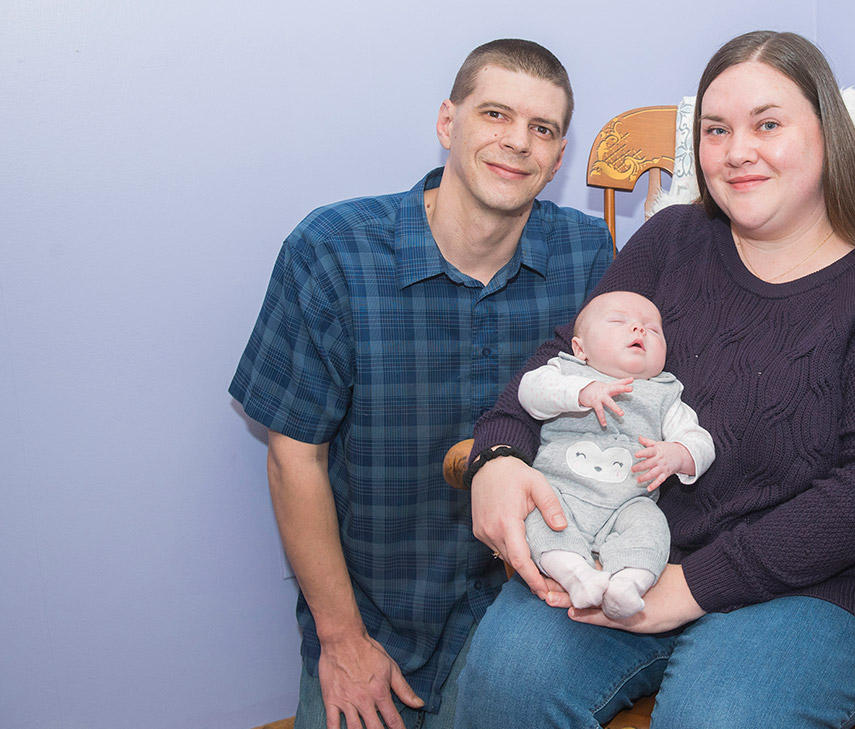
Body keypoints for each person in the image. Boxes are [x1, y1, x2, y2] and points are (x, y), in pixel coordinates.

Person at [456, 30, 855, 728]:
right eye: (717, 130)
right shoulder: (671, 240)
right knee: (505, 679)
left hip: (814, 583)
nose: (737, 150)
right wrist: (497, 456)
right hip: (626, 541)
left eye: (768, 124)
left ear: (829, 135)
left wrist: (691, 586)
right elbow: (567, 359)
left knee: (717, 716)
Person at [229, 38, 613, 729]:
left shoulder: (586, 255)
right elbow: (294, 457)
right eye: (495, 114)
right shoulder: (333, 250)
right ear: (447, 122)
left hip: (520, 612)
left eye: (542, 128)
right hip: (372, 617)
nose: (517, 141)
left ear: (558, 158)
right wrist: (342, 641)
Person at [518, 291, 714, 618]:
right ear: (580, 348)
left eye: (653, 329)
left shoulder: (665, 392)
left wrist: (679, 453)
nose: (639, 329)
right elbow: (529, 392)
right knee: (537, 519)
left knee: (651, 527)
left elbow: (700, 440)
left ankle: (628, 584)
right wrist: (581, 391)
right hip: (559, 494)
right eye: (619, 321)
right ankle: (576, 575)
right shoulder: (566, 370)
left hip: (627, 503)